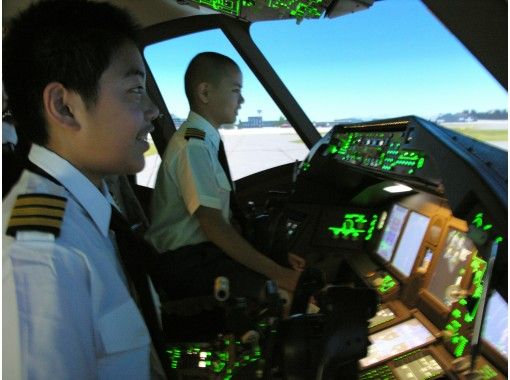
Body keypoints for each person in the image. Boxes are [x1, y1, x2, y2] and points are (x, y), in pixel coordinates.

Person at [2, 1, 166, 378]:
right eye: (135, 90)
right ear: (64, 106)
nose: (153, 110)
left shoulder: (90, 210)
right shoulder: (42, 260)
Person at [146, 52, 303, 303]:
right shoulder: (193, 146)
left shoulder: (205, 141)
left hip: (203, 255)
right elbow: (215, 227)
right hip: (186, 265)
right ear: (205, 93)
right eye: (235, 90)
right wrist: (280, 274)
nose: (241, 99)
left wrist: (274, 256)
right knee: (285, 297)